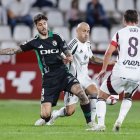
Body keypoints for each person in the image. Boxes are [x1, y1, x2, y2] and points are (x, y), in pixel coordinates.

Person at [0, 14, 93, 128]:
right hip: (49, 80)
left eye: (44, 23)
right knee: (45, 114)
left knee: (81, 93)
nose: (43, 27)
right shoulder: (34, 42)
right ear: (36, 26)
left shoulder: (56, 37)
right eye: (40, 25)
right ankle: (47, 118)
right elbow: (15, 50)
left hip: (63, 74)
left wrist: (68, 56)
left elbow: (67, 51)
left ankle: (91, 123)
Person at [35, 22, 115, 126]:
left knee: (94, 92)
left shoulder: (88, 44)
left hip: (85, 78)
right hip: (73, 80)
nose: (86, 34)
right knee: (69, 111)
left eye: (88, 31)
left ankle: (92, 122)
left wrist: (108, 62)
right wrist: (64, 59)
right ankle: (56, 114)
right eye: (83, 31)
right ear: (77, 31)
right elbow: (62, 54)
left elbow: (93, 58)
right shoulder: (74, 43)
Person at [87, 10, 140, 132]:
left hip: (121, 70)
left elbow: (108, 53)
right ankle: (119, 121)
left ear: (124, 20)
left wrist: (104, 69)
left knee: (101, 96)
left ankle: (100, 125)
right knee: (128, 96)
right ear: (137, 20)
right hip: (137, 73)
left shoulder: (119, 33)